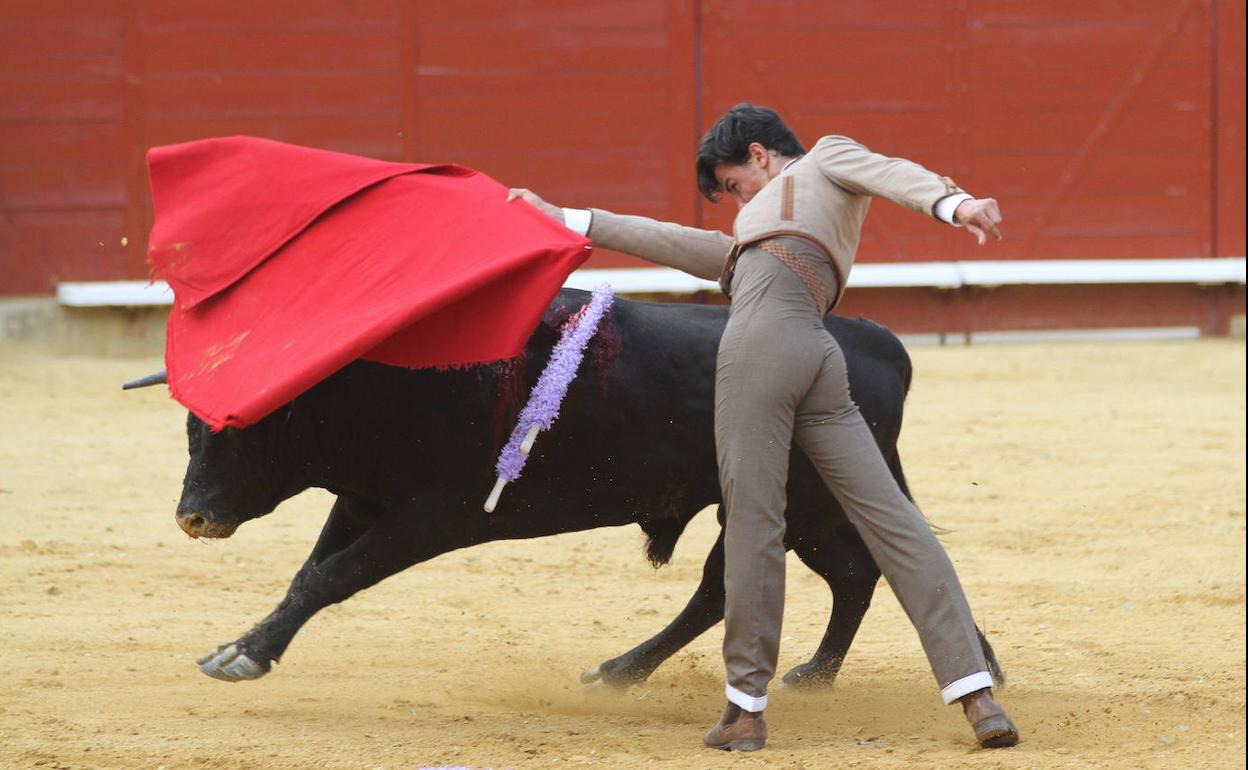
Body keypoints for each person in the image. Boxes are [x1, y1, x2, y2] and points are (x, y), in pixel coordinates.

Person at [509, 103, 1018, 752]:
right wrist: (567, 219)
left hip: (759, 345)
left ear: (758, 155)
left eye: (730, 184)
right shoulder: (772, 227)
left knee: (753, 522)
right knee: (894, 520)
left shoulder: (824, 159)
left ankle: (746, 711)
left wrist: (956, 204)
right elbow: (685, 244)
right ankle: (976, 696)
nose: (731, 199)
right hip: (818, 353)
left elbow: (891, 171)